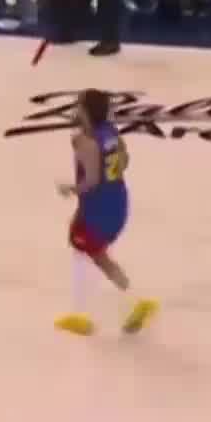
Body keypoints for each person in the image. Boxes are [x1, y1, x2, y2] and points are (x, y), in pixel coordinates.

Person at [54, 89, 158, 337]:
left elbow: (91, 181)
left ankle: (91, 314)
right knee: (92, 252)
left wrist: (70, 188)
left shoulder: (84, 141)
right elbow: (125, 160)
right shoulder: (111, 133)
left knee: (87, 249)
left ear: (86, 112)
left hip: (97, 209)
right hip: (118, 202)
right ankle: (129, 302)